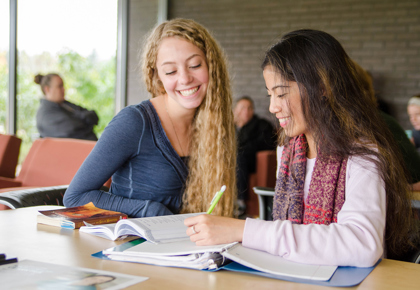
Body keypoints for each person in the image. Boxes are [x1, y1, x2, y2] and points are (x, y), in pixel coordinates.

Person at [184, 29, 419, 267]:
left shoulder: (362, 154)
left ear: (323, 87)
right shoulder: (288, 151)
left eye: (281, 94)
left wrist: (245, 229)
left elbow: (362, 244)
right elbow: (288, 237)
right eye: (270, 95)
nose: (273, 107)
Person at [63, 19, 237, 218]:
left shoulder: (216, 125)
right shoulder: (134, 122)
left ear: (211, 66)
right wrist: (150, 209)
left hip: (184, 245)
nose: (185, 78)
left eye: (195, 65)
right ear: (158, 77)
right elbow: (75, 197)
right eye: (171, 71)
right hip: (130, 245)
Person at [353, 62, 420, 191]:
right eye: (411, 115)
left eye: (418, 114)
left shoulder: (376, 120)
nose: (413, 119)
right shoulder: (415, 134)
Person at [234, 96, 276, 214]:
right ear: (235, 110)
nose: (246, 111)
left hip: (253, 161)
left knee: (239, 155)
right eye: (242, 108)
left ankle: (240, 201)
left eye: (249, 108)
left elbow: (267, 144)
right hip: (233, 160)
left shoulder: (261, 124)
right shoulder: (231, 127)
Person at [34, 73, 99, 141]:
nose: (64, 89)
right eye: (60, 86)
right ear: (47, 89)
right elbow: (73, 130)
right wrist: (87, 122)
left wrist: (80, 118)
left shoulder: (65, 104)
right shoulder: (45, 114)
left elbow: (93, 116)